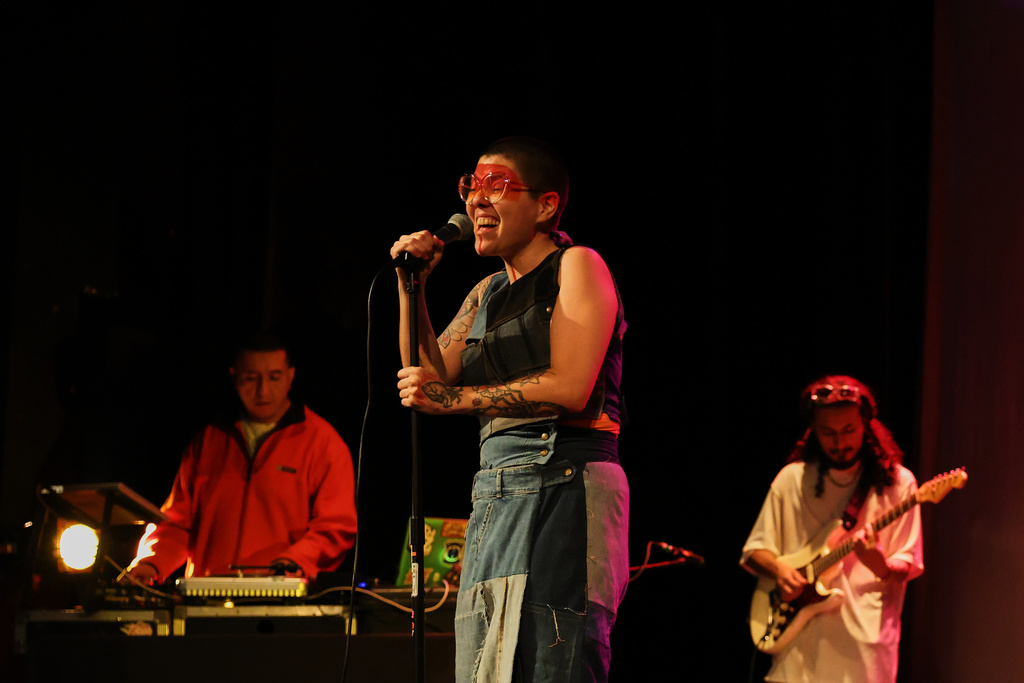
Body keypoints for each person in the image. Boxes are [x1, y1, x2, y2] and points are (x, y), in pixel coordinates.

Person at [390, 136, 629, 683]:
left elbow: (570, 385)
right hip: (497, 493)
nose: (476, 201)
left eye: (495, 186)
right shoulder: (486, 292)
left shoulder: (579, 265)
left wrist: (454, 401)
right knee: (487, 667)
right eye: (470, 187)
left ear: (545, 206)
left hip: (565, 482)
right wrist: (413, 288)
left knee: (553, 658)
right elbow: (427, 373)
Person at [126, 333, 357, 583]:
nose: (262, 390)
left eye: (274, 377)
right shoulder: (208, 441)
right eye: (251, 378)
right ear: (234, 377)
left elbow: (335, 527)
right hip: (206, 596)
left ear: (291, 377)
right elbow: (177, 524)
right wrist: (150, 563)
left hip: (283, 599)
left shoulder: (322, 443)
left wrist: (295, 562)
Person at [741, 375, 924, 683]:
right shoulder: (791, 480)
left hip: (863, 652)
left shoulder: (899, 484)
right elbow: (753, 553)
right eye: (828, 433)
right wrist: (780, 571)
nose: (840, 443)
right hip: (798, 647)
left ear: (866, 425)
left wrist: (877, 561)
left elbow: (907, 565)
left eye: (849, 430)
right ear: (813, 431)